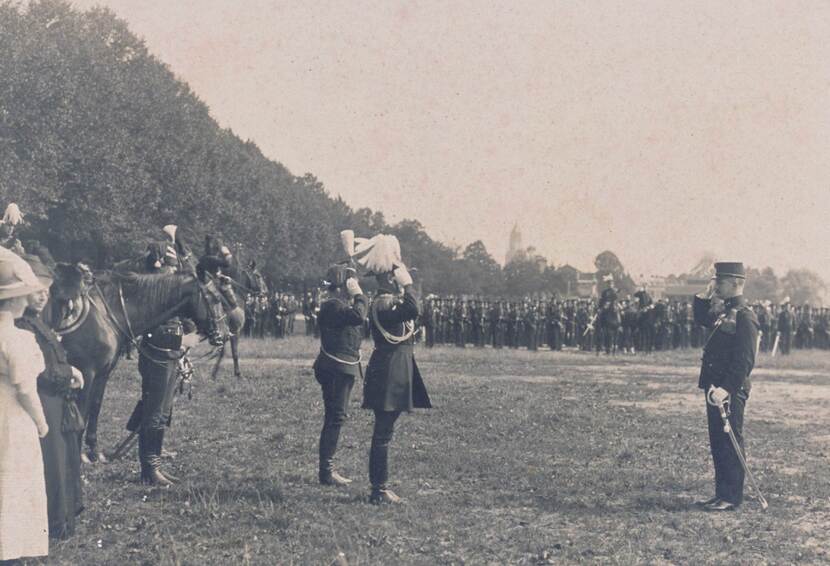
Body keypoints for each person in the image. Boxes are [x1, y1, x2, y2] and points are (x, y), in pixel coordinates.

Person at [16, 255, 85, 540]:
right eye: (37, 289)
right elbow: (41, 371)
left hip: (55, 400)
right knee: (52, 460)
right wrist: (69, 372)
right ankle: (54, 522)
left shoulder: (36, 321)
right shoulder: (22, 326)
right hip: (43, 401)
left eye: (47, 289)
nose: (44, 295)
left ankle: (62, 517)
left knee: (62, 456)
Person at [360, 236, 431, 504]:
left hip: (392, 368)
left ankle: (379, 487)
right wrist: (409, 285)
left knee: (385, 431)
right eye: (395, 273)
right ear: (389, 278)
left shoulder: (386, 300)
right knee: (382, 433)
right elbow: (414, 308)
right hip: (389, 370)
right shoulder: (384, 303)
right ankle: (378, 489)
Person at [693, 262, 759, 511]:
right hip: (715, 388)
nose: (716, 285)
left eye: (719, 281)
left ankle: (731, 497)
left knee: (730, 440)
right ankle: (721, 493)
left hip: (729, 390)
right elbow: (701, 318)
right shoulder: (723, 311)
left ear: (735, 283)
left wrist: (727, 389)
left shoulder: (744, 315)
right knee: (718, 441)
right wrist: (704, 294)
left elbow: (745, 360)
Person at [0, 248, 49, 562]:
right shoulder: (17, 338)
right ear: (15, 300)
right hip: (12, 418)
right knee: (14, 480)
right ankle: (9, 548)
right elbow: (26, 390)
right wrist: (42, 423)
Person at [312, 264, 367, 486]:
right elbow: (358, 316)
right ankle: (326, 472)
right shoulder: (334, 306)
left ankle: (327, 470)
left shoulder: (334, 305)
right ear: (343, 287)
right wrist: (359, 294)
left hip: (338, 366)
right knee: (335, 418)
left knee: (335, 417)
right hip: (337, 368)